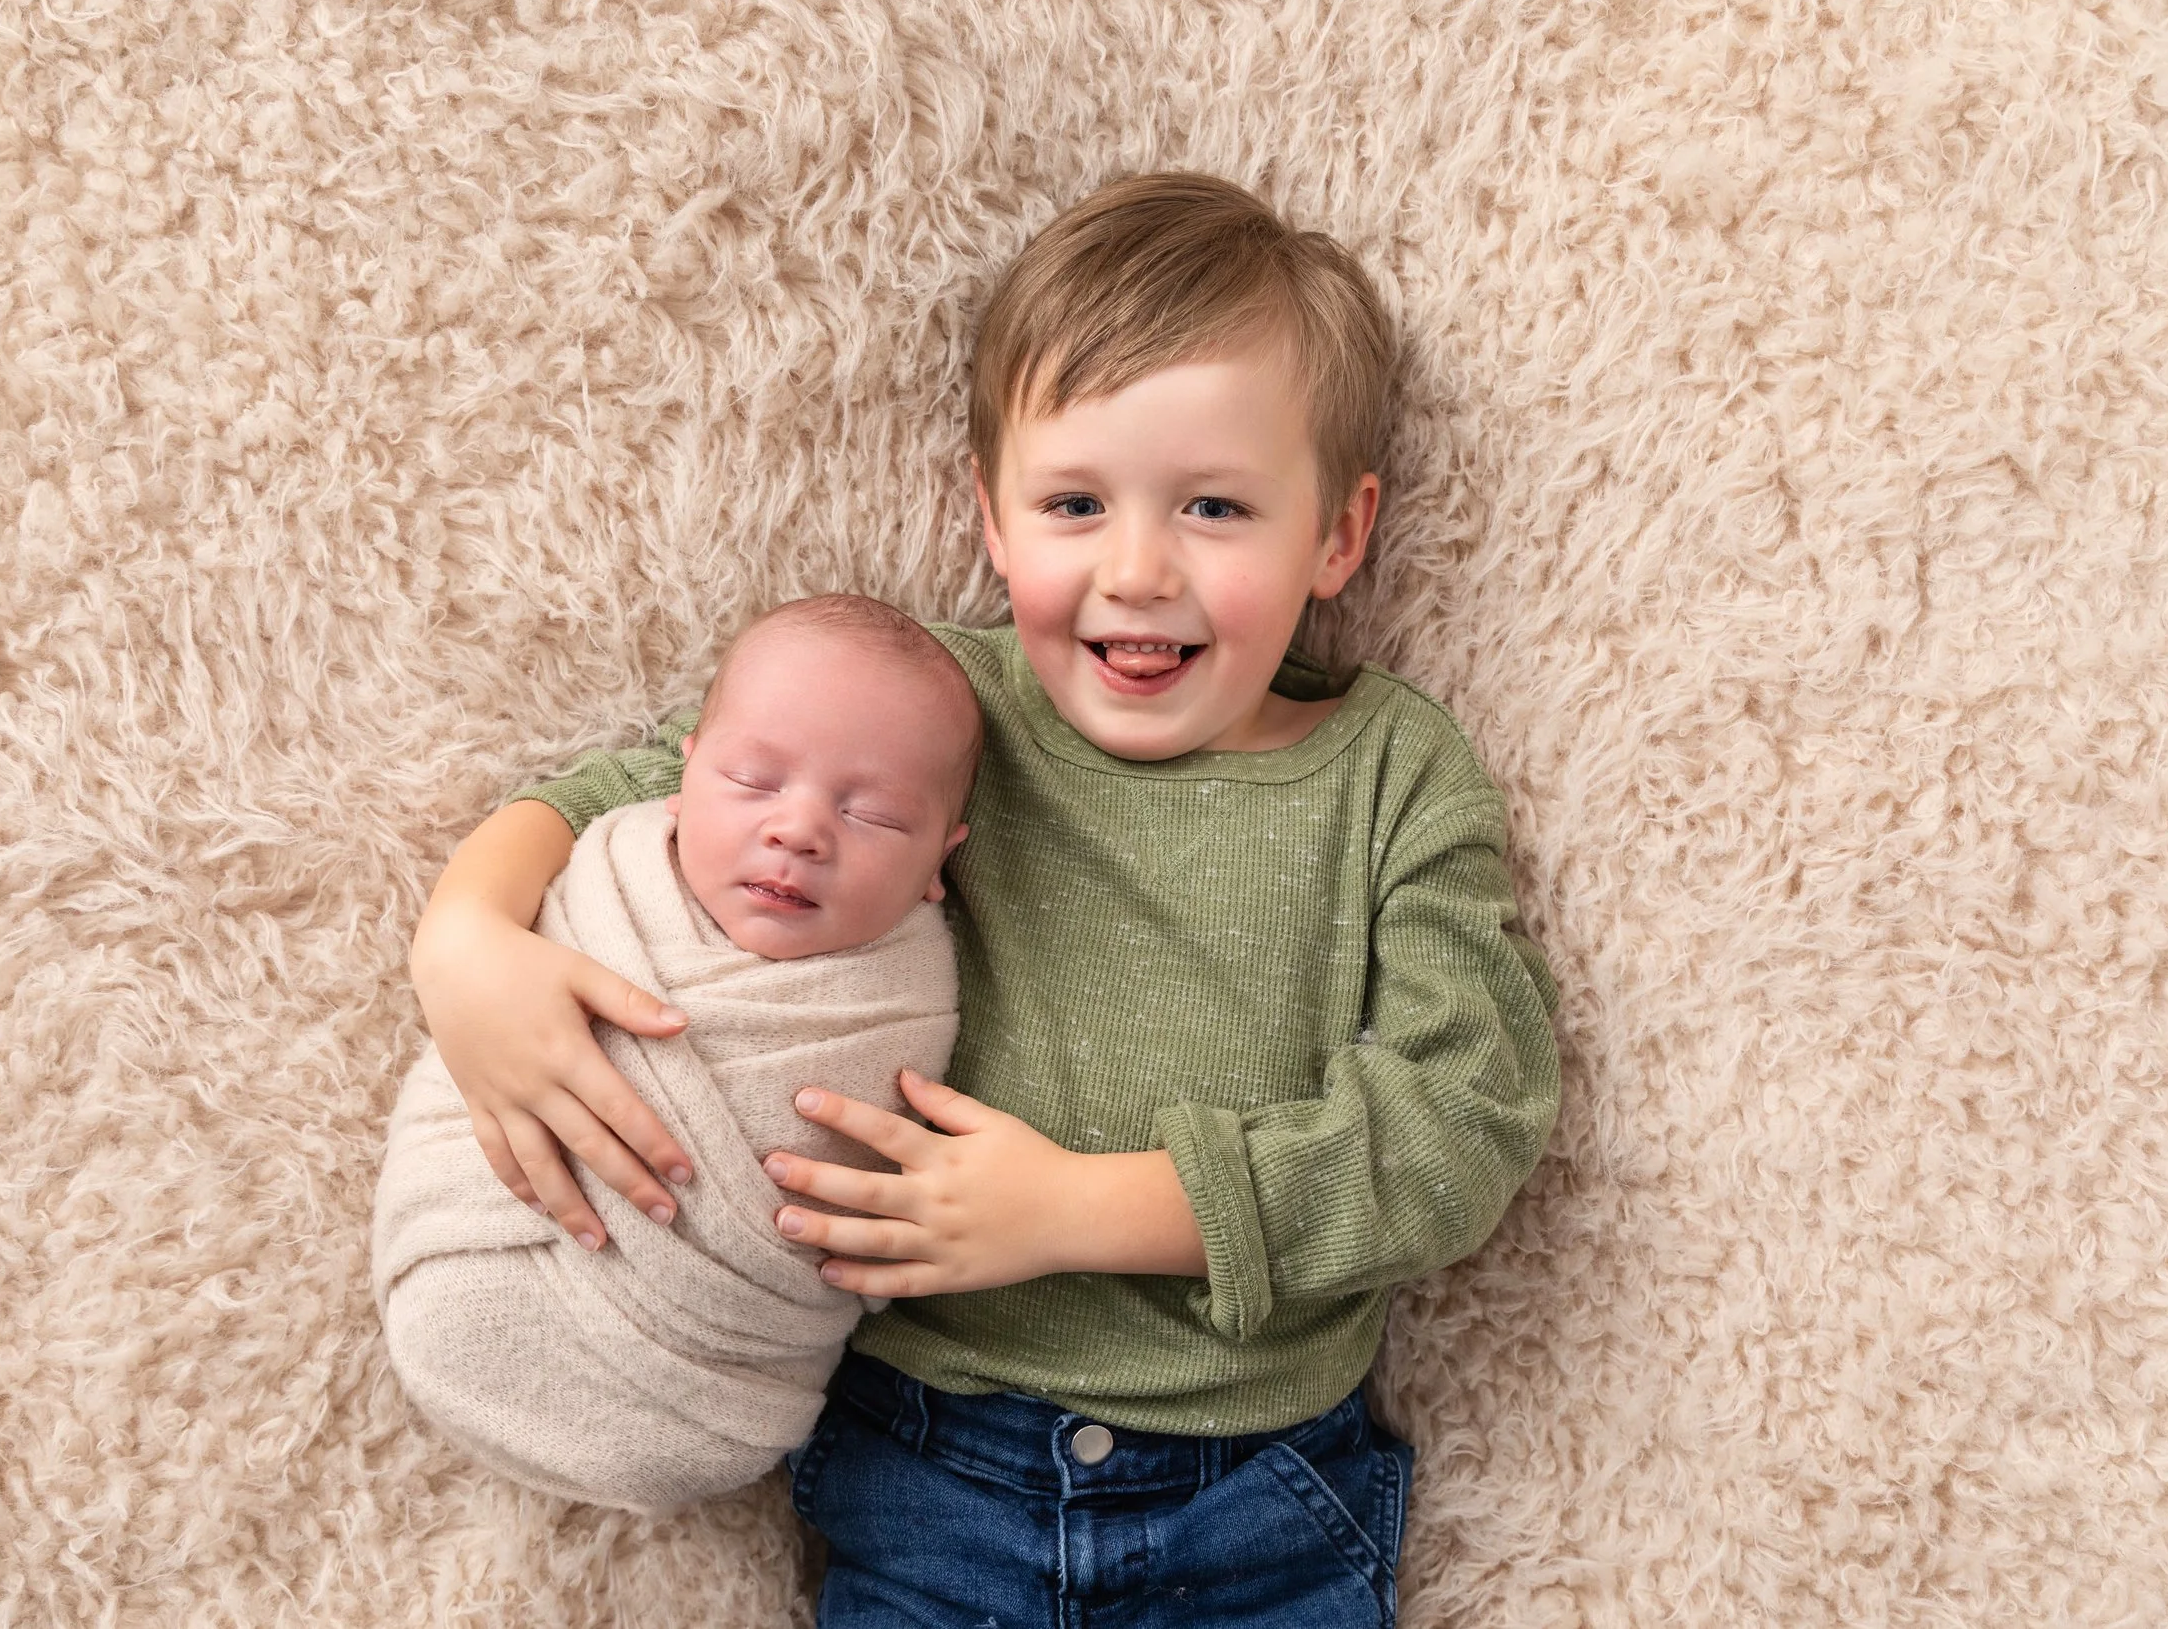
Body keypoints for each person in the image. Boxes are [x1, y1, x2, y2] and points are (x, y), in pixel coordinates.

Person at [408, 171, 1562, 1626]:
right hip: (931, 1458)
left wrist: (1080, 1206)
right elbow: (652, 781)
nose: (1137, 570)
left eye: (1216, 505)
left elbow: (1468, 1119)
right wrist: (464, 935)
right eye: (1075, 503)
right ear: (993, 520)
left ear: (1338, 534)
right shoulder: (941, 710)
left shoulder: (1392, 768)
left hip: (1255, 1484)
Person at [374, 596, 978, 1514]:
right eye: (753, 780)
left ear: (942, 858)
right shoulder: (613, 875)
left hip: (711, 1391)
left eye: (877, 817)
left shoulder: (907, 996)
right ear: (682, 773)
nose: (800, 829)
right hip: (470, 1255)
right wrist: (465, 946)